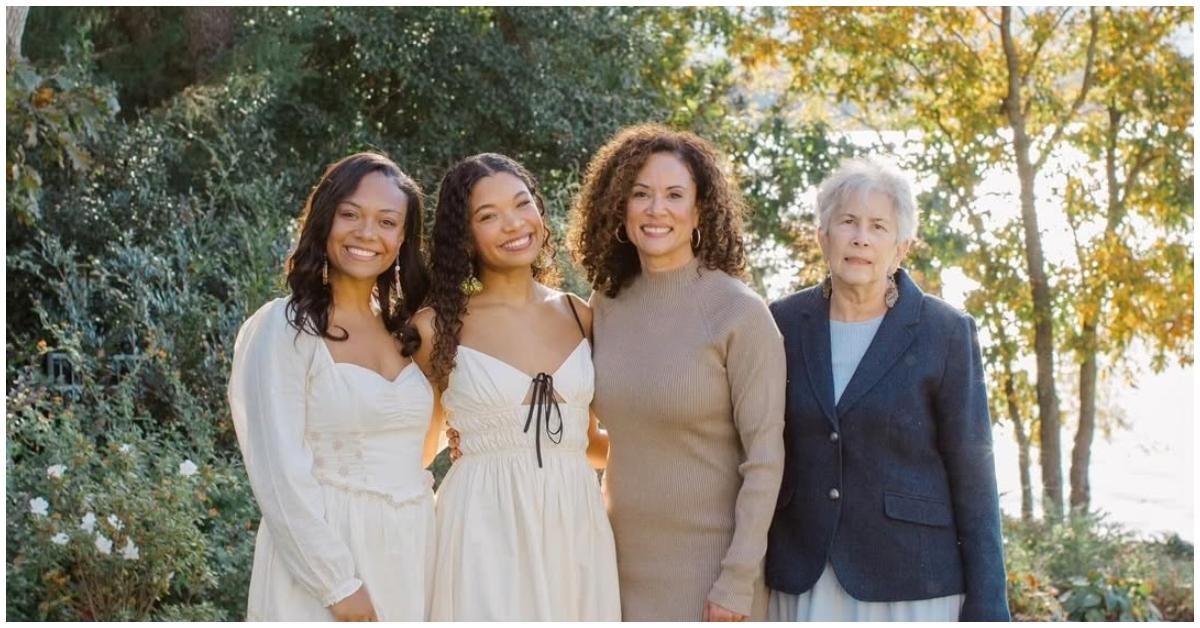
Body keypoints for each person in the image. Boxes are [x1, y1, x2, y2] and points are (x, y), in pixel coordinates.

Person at [765, 158, 1010, 621]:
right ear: (823, 236)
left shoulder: (946, 331)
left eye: (878, 226)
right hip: (804, 580)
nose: (861, 237)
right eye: (848, 222)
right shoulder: (781, 323)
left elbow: (975, 478)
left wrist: (989, 606)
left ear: (901, 247)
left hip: (911, 584)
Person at [568, 124, 786, 621]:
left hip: (712, 580)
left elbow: (766, 461)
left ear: (699, 210)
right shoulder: (605, 306)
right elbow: (593, 432)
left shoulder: (739, 313)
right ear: (619, 208)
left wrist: (736, 581)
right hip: (615, 569)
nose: (655, 209)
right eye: (640, 194)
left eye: (673, 195)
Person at [412, 153, 620, 621]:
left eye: (521, 204)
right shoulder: (434, 328)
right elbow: (413, 454)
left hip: (575, 528)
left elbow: (588, 444)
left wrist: (676, 454)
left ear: (540, 215)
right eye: (488, 216)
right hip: (481, 529)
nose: (512, 224)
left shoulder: (578, 314)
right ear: (464, 236)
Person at [228, 152, 436, 621]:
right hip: (328, 560)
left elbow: (421, 443)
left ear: (402, 238)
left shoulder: (403, 332)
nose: (367, 233)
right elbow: (278, 472)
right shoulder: (286, 328)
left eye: (387, 221)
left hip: (412, 549)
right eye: (350, 214)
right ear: (324, 221)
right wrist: (337, 584)